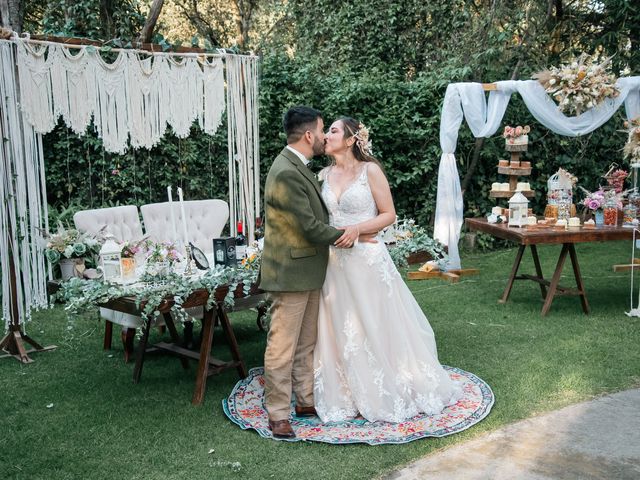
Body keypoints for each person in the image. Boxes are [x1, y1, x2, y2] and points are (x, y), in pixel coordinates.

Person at [313, 117, 462, 423]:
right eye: (327, 130)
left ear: (352, 139)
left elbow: (388, 214)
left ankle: (390, 385)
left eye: (333, 130)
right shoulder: (323, 175)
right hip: (335, 264)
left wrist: (356, 229)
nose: (326, 135)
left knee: (377, 323)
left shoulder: (371, 171)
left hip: (367, 261)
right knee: (341, 326)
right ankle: (347, 390)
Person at [259, 106, 362, 439]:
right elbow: (308, 225)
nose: (323, 137)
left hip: (308, 271)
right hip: (290, 273)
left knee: (306, 344)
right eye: (321, 130)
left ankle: (304, 400)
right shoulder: (286, 171)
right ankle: (277, 414)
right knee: (282, 347)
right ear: (308, 136)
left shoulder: (298, 167)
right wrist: (347, 235)